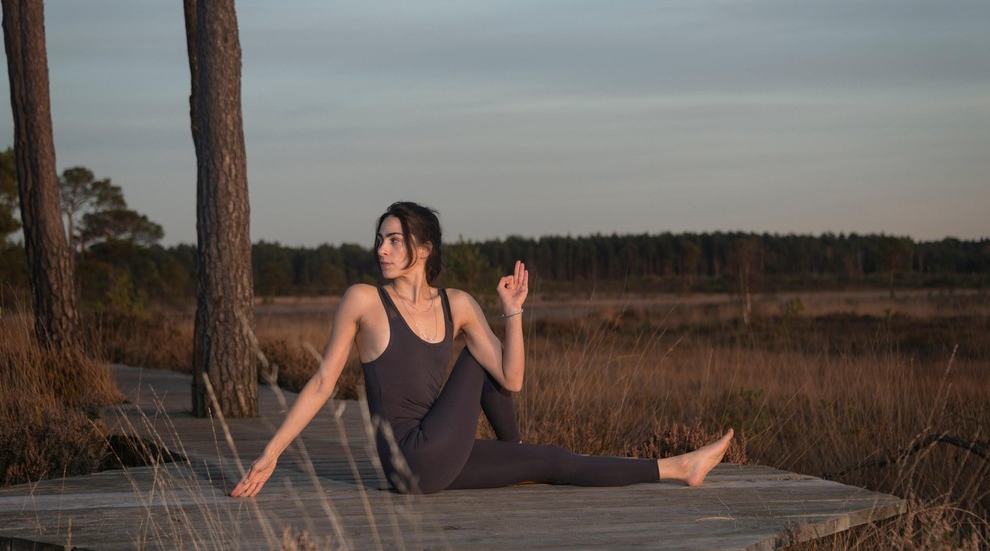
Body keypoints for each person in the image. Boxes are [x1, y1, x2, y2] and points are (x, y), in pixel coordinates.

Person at [232, 201, 732, 497]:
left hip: (442, 453)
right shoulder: (364, 300)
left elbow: (511, 381)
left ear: (423, 250)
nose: (380, 249)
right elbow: (322, 382)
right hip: (409, 458)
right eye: (379, 240)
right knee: (475, 356)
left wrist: (512, 312)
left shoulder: (459, 305)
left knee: (551, 460)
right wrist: (271, 454)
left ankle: (677, 467)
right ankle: (516, 447)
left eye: (393, 240)